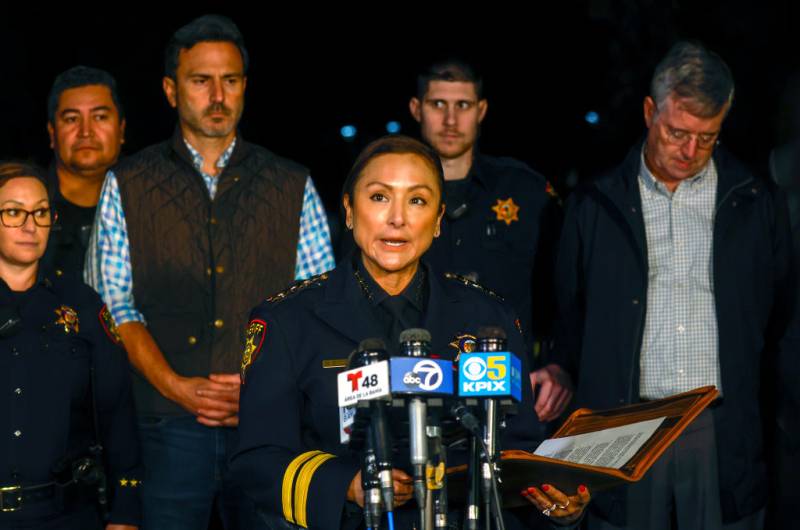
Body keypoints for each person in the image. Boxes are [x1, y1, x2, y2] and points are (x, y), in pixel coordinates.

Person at [231, 135, 590, 530]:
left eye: (417, 200)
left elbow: (518, 451)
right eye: (380, 198)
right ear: (349, 210)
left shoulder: (489, 318)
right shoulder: (287, 320)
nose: (397, 218)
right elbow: (258, 462)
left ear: (437, 220)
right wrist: (344, 486)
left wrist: (559, 510)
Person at [84, 15, 335, 529]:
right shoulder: (127, 182)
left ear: (245, 86)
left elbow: (317, 309)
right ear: (171, 91)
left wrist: (264, 393)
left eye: (231, 80)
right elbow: (114, 308)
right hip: (164, 429)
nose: (218, 95)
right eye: (201, 81)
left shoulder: (292, 183)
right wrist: (178, 386)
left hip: (269, 430)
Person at [554, 41, 795, 529]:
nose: (690, 152)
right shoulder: (593, 205)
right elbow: (568, 316)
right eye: (677, 133)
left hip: (720, 427)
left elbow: (780, 315)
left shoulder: (754, 202)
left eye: (708, 138)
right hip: (625, 424)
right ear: (649, 111)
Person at [408, 60, 571, 423]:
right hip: (420, 395)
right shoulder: (389, 193)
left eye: (462, 105)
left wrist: (559, 365)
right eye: (438, 105)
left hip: (512, 392)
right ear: (416, 108)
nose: (451, 120)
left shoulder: (526, 193)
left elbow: (565, 291)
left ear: (481, 110)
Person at [0, 161, 140, 529]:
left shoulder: (82, 305)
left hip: (63, 514)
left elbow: (118, 411)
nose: (30, 226)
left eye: (41, 212)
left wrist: (126, 510)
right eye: (14, 212)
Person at [42, 66, 126, 277]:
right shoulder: (19, 209)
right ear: (52, 134)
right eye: (71, 119)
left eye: (99, 117)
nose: (86, 132)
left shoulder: (153, 202)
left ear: (121, 130)